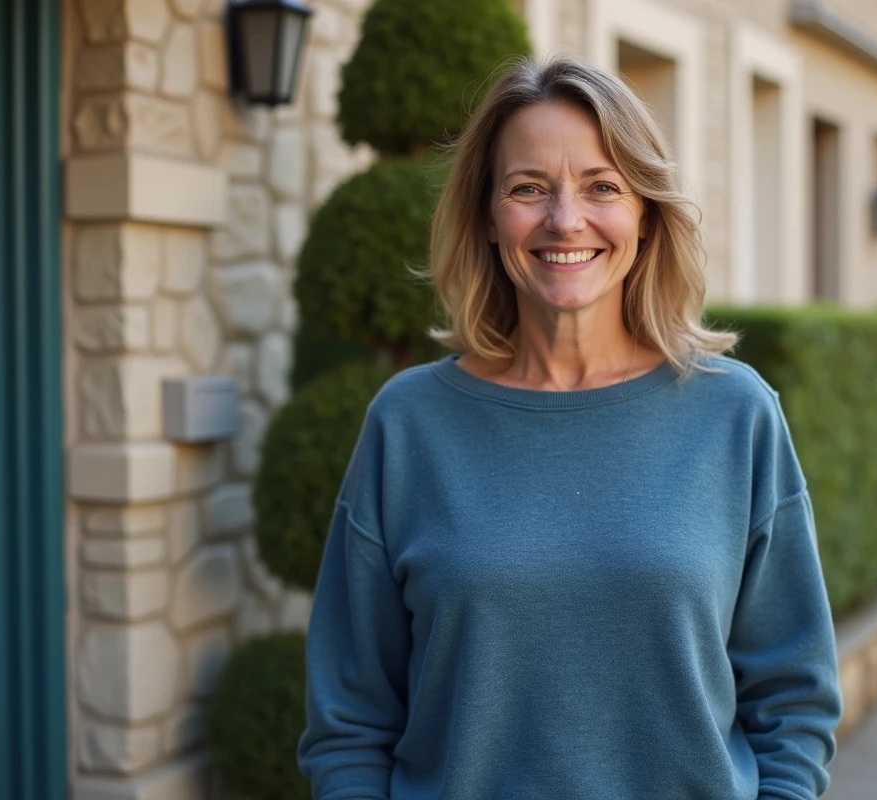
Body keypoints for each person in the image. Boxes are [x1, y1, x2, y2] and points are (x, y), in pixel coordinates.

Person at [298, 55, 842, 800]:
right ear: (488, 219)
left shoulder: (735, 414)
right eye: (528, 188)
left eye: (602, 187)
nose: (564, 219)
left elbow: (795, 698)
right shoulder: (409, 423)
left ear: (645, 214)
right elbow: (350, 717)